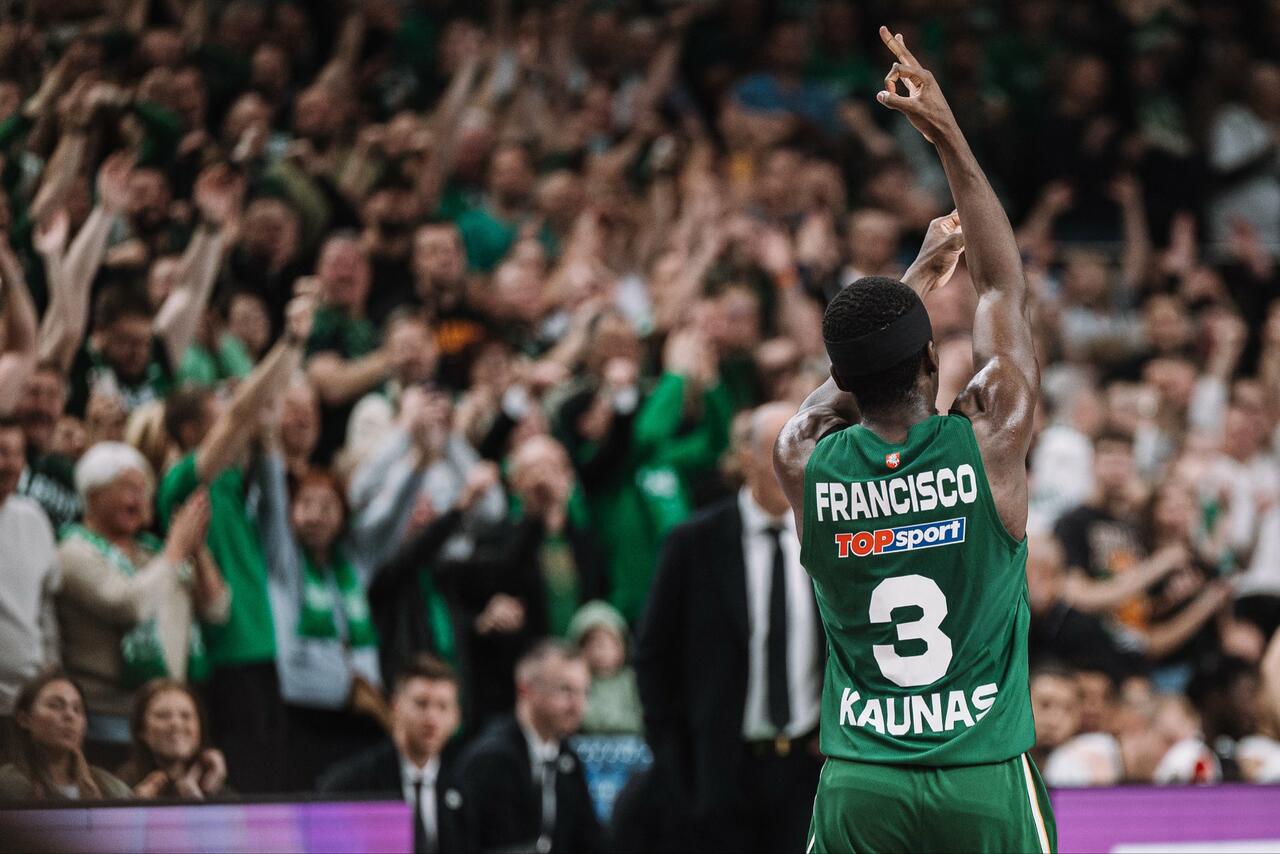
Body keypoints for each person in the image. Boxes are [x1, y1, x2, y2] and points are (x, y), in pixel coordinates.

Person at [772, 28, 1055, 852]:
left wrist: (916, 280)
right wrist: (946, 133)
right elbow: (1002, 287)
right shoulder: (989, 438)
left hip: (863, 783)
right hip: (981, 776)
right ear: (933, 361)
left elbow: (826, 397)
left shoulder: (804, 459)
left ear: (844, 378)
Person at [635, 403, 824, 852]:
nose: (797, 461)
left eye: (806, 447)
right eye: (782, 448)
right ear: (747, 459)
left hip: (806, 769)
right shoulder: (692, 543)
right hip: (719, 772)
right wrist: (676, 765)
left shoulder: (830, 539)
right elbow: (652, 658)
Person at [154, 290, 316, 792]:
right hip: (225, 658)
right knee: (242, 787)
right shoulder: (181, 482)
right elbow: (243, 414)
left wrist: (290, 355)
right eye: (216, 410)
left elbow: (254, 413)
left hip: (260, 649)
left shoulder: (227, 482)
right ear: (190, 430)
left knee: (273, 783)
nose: (229, 414)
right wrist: (290, 341)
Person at [55, 442, 226, 765]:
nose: (139, 498)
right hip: (106, 717)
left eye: (144, 490)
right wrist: (176, 550)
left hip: (167, 717)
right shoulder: (74, 552)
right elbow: (131, 605)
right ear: (93, 495)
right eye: (128, 488)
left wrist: (198, 551)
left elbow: (217, 610)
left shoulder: (153, 552)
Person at [456, 640, 602, 854]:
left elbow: (589, 840)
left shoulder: (567, 758)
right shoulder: (489, 760)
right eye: (565, 690)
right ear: (526, 690)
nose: (578, 706)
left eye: (585, 692)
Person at [319, 655, 466, 854]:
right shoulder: (352, 784)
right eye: (421, 704)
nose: (432, 718)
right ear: (396, 707)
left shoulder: (463, 784)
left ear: (456, 717)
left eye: (442, 706)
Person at [0, 418, 60, 733]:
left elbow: (46, 609)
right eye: (1, 452)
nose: (10, 464)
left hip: (27, 705)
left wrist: (50, 675)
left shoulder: (34, 518)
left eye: (17, 454)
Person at [0, 671, 132, 801]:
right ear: (24, 719)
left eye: (77, 709)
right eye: (55, 706)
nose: (70, 715)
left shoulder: (109, 786)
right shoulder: (8, 784)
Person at [116, 679, 228, 800]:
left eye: (186, 716)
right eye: (163, 716)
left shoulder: (215, 783)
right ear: (141, 730)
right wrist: (135, 806)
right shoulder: (119, 787)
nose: (176, 724)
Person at [569, 600, 641, 736]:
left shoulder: (633, 681)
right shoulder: (576, 684)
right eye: (591, 644)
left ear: (622, 646)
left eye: (607, 645)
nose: (600, 652)